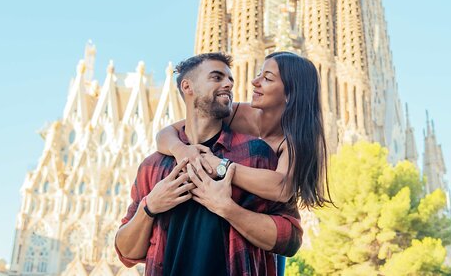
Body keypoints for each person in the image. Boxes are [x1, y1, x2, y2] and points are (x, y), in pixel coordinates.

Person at [114, 52, 302, 276]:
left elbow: (290, 239)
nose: (229, 84)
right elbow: (126, 252)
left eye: (230, 79)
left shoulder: (256, 155)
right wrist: (150, 206)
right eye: (217, 77)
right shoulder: (153, 165)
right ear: (187, 87)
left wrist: (227, 208)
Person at [155, 51, 331, 275]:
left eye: (267, 78)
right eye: (259, 74)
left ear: (290, 93)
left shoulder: (297, 137)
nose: (254, 82)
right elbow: (167, 132)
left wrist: (222, 166)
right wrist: (181, 150)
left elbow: (282, 188)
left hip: (263, 227)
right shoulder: (239, 113)